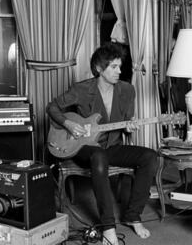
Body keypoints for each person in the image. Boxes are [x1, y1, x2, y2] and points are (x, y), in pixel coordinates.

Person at [47, 43, 157, 245]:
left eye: (120, 66)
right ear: (99, 69)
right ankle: (108, 227)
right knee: (99, 156)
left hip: (112, 146)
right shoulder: (81, 89)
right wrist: (68, 123)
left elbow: (126, 121)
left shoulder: (127, 90)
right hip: (84, 147)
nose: (119, 71)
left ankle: (133, 215)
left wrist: (129, 127)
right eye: (114, 67)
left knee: (150, 157)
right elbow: (52, 107)